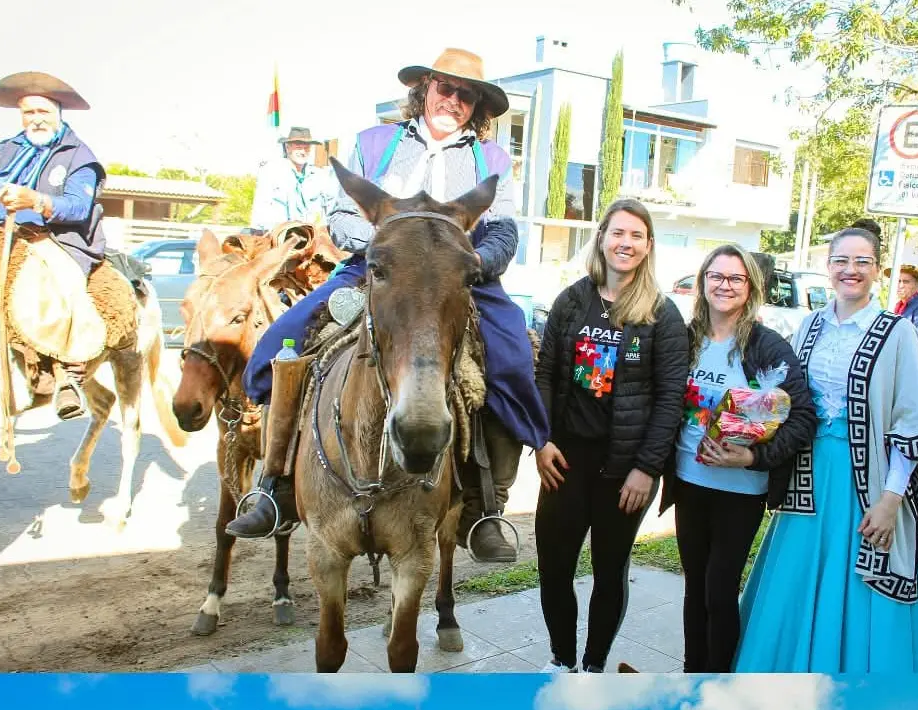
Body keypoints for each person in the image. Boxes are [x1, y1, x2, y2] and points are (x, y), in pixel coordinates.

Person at [236, 48, 547, 561]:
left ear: (478, 106)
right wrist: (386, 247)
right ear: (423, 88)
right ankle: (275, 485)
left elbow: (504, 229)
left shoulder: (492, 161)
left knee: (513, 357)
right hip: (375, 268)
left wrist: (470, 260)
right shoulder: (373, 143)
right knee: (285, 339)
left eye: (466, 94)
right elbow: (339, 216)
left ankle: (485, 506)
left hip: (457, 277)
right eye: (445, 88)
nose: (454, 100)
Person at [735, 219, 918, 672]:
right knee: (795, 583)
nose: (851, 270)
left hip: (867, 483)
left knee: (861, 584)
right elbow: (784, 395)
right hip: (809, 481)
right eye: (841, 261)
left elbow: (911, 422)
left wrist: (891, 500)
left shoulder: (897, 333)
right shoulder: (809, 326)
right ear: (828, 267)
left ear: (878, 270)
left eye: (862, 262)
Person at [534, 198, 689, 671]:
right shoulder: (572, 300)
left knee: (609, 573)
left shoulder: (662, 315)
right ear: (601, 238)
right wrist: (541, 441)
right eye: (617, 233)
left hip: (625, 470)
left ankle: (594, 666)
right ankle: (562, 661)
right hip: (565, 461)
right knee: (555, 569)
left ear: (648, 246)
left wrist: (646, 470)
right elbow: (546, 375)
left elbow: (670, 400)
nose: (625, 242)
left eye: (636, 235)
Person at [659, 244, 817, 673]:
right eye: (716, 276)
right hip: (690, 482)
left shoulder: (767, 347)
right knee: (695, 588)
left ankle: (720, 677)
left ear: (750, 287)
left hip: (740, 490)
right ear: (702, 282)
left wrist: (752, 458)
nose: (724, 286)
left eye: (735, 278)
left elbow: (803, 417)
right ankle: (694, 673)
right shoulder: (685, 338)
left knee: (719, 588)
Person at [0, 72, 109, 419]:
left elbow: (78, 206)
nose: (35, 119)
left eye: (43, 111)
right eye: (28, 113)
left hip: (54, 240)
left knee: (63, 288)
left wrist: (36, 200)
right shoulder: (8, 148)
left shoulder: (78, 155)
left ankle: (67, 371)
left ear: (58, 112)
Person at [251, 125, 335, 231]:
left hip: (311, 238)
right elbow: (260, 211)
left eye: (307, 148)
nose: (303, 152)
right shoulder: (271, 173)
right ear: (287, 147)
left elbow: (330, 209)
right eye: (299, 147)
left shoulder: (320, 177)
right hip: (277, 236)